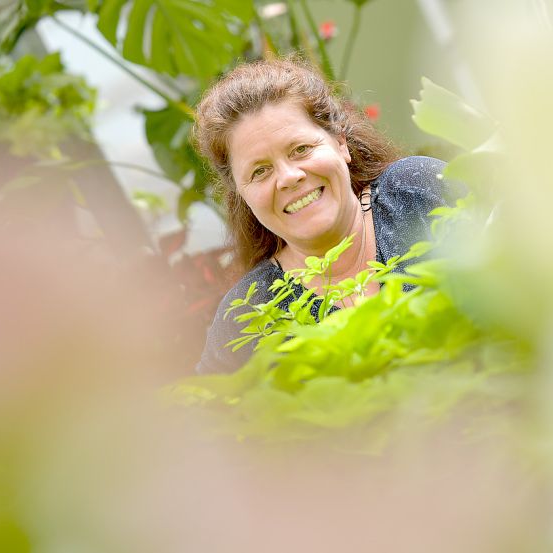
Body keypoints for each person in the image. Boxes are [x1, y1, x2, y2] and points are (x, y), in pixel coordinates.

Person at [193, 57, 455, 374]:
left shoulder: (416, 193)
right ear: (242, 195)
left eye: (300, 149)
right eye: (261, 171)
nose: (288, 176)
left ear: (340, 143)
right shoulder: (247, 316)